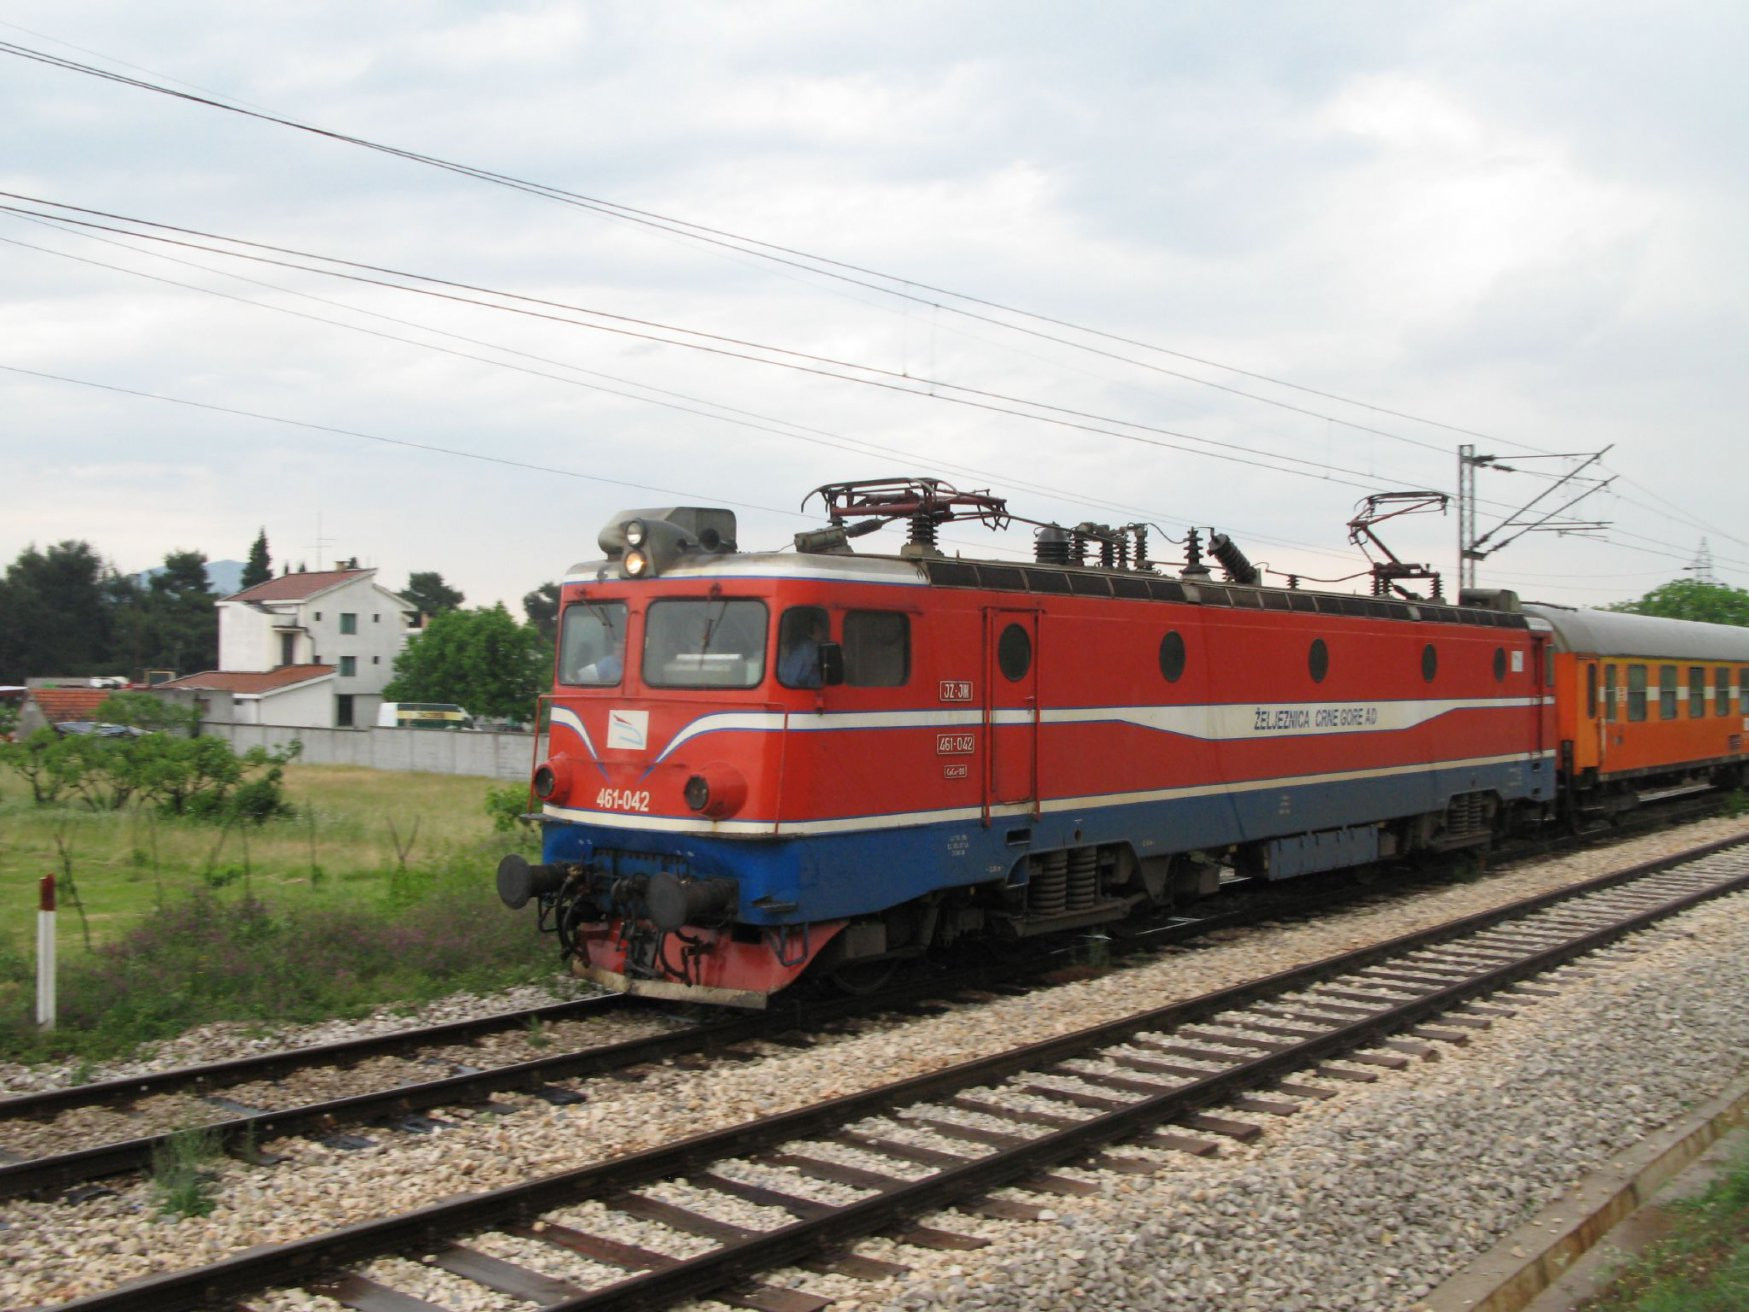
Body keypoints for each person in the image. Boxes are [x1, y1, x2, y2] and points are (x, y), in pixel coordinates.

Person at [779, 614, 827, 688]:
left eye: (822, 630)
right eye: (819, 630)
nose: (823, 633)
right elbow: (789, 679)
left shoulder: (821, 649)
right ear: (810, 633)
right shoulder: (805, 648)